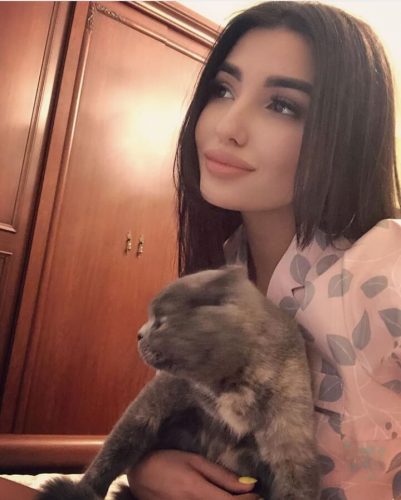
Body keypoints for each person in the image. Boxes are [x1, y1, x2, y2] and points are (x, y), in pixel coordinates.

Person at [126, 1, 401, 500]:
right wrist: (148, 467)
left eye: (282, 105)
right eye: (223, 90)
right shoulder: (224, 275)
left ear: (346, 135)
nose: (227, 126)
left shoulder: (388, 263)